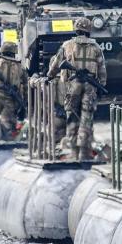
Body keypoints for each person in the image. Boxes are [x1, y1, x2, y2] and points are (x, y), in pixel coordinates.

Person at [47, 17, 107, 160]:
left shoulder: (67, 45)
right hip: (90, 86)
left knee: (72, 118)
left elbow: (56, 64)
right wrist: (101, 85)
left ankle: (74, 152)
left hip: (72, 86)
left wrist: (50, 75)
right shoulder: (96, 47)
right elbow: (102, 69)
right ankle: (84, 153)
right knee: (86, 119)